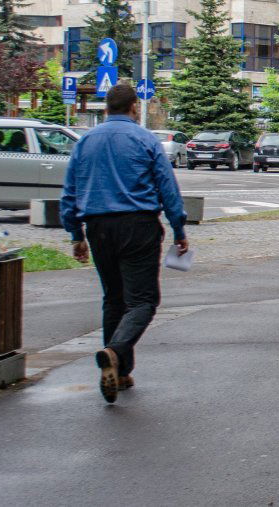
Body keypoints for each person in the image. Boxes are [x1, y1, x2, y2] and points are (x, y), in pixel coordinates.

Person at [61, 83, 188, 403]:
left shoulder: (85, 141)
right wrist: (179, 228)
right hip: (138, 226)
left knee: (113, 299)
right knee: (143, 301)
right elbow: (167, 187)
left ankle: (120, 372)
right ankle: (115, 352)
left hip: (98, 228)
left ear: (106, 109)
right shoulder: (145, 139)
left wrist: (76, 234)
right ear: (134, 107)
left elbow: (70, 190)